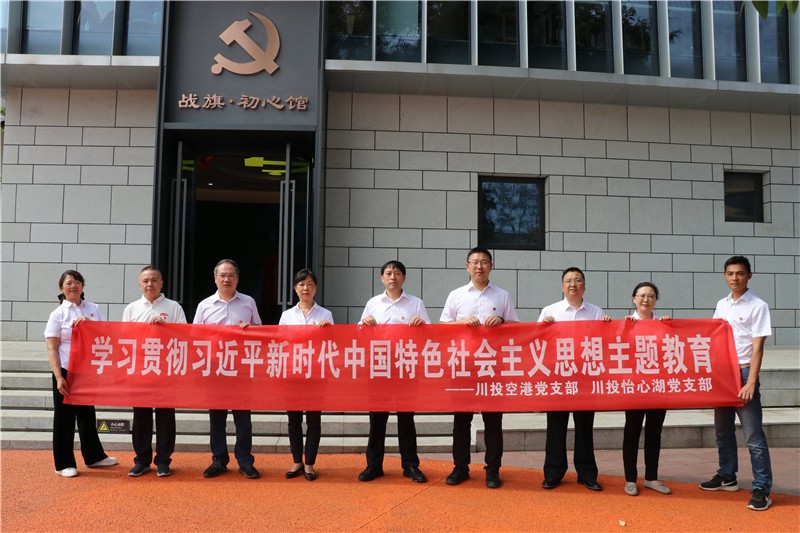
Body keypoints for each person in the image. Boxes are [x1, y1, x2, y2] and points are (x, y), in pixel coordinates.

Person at [440, 247, 519, 489]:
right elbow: (442, 327)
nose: (479, 266)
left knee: (493, 421)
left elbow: (516, 329)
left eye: (484, 262)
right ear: (467, 267)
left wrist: (502, 321)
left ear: (491, 266)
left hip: (492, 367)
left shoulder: (502, 296)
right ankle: (460, 467)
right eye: (474, 262)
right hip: (463, 366)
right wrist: (462, 322)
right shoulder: (456, 295)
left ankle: (493, 470)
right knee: (461, 421)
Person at [700, 255, 774, 511]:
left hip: (743, 373)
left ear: (749, 276)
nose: (735, 278)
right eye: (730, 274)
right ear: (725, 276)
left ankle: (762, 487)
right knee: (722, 431)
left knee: (753, 435)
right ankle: (727, 475)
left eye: (740, 273)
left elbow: (758, 348)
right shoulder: (722, 304)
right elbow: (711, 336)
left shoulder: (758, 306)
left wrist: (751, 381)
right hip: (723, 375)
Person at [538, 267, 610, 492]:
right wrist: (543, 327)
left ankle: (587, 474)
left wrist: (608, 326)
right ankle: (553, 473)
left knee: (585, 427)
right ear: (562, 286)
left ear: (584, 286)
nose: (573, 284)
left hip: (586, 377)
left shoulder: (596, 312)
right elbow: (537, 342)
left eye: (578, 280)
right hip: (558, 376)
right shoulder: (550, 311)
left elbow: (606, 342)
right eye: (568, 280)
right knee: (556, 426)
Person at [357, 260, 430, 484]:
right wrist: (364, 325)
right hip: (378, 368)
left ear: (404, 278)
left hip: (405, 368)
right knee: (377, 419)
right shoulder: (373, 303)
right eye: (388, 273)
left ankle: (410, 465)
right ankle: (374, 465)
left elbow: (429, 334)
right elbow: (358, 334)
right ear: (382, 278)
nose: (393, 277)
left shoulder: (416, 303)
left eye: (397, 273)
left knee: (406, 419)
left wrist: (421, 326)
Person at [45, 270, 117, 477]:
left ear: (83, 286)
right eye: (69, 283)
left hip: (87, 370)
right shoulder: (58, 314)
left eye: (77, 282)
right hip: (66, 370)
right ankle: (63, 464)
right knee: (64, 417)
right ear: (62, 288)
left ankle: (94, 456)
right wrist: (59, 377)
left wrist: (90, 325)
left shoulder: (93, 309)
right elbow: (51, 347)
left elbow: (107, 334)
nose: (73, 286)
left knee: (87, 414)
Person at [194, 259, 262, 479]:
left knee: (243, 420)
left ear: (237, 278)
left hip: (241, 369)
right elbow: (194, 337)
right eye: (222, 275)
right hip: (215, 370)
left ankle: (245, 461)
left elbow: (261, 332)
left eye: (231, 275)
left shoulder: (248, 302)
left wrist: (251, 330)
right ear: (215, 278)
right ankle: (219, 459)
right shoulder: (204, 305)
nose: (226, 279)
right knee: (217, 419)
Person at [123, 265, 187, 478]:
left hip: (166, 370)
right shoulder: (131, 309)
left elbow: (186, 335)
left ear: (161, 283)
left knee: (165, 416)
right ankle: (141, 460)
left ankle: (163, 460)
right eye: (146, 281)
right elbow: (124, 339)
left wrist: (166, 326)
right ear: (139, 284)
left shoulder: (174, 307)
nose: (150, 284)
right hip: (141, 370)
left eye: (154, 280)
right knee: (141, 416)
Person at [279, 269, 333, 482]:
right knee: (293, 420)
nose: (305, 288)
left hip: (316, 375)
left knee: (314, 420)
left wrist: (328, 331)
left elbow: (333, 344)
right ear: (295, 288)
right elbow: (281, 343)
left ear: (316, 288)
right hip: (292, 374)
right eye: (301, 284)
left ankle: (309, 463)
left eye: (310, 284)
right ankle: (296, 461)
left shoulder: (325, 315)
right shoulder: (287, 316)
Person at [621, 282, 671, 496]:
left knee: (654, 433)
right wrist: (621, 328)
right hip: (634, 387)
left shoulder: (663, 324)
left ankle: (651, 477)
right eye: (641, 295)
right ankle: (630, 479)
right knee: (631, 432)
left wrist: (669, 327)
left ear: (655, 300)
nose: (646, 299)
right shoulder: (625, 324)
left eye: (650, 296)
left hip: (658, 387)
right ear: (634, 299)